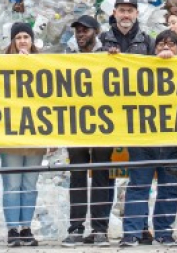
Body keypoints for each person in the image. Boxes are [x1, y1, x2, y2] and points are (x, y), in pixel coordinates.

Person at [119, 29, 177, 247]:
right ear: (153, 49)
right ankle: (132, 233)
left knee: (171, 187)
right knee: (138, 186)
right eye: (161, 44)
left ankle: (164, 233)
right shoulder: (141, 69)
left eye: (171, 44)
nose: (166, 48)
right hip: (144, 140)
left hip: (174, 141)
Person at [63, 15, 112, 247]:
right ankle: (76, 227)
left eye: (85, 30)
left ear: (96, 31)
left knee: (102, 175)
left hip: (103, 123)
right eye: (78, 31)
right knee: (78, 176)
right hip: (76, 124)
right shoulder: (68, 55)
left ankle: (100, 228)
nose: (81, 34)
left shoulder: (108, 53)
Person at [0, 23, 45, 247]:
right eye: (18, 37)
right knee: (12, 185)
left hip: (35, 134)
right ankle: (12, 229)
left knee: (29, 184)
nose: (23, 41)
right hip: (11, 135)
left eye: (26, 36)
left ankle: (26, 227)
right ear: (12, 41)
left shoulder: (42, 64)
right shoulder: (0, 64)